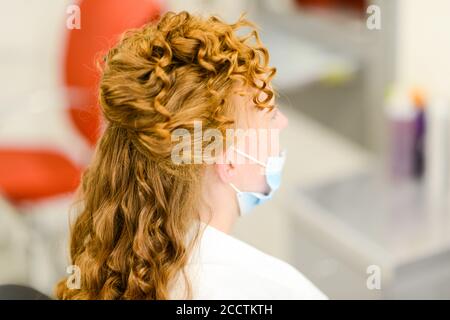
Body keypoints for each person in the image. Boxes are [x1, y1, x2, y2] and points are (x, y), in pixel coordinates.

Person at [56, 11, 327, 300]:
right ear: (230, 161)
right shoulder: (280, 290)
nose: (282, 122)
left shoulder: (106, 255)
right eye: (270, 115)